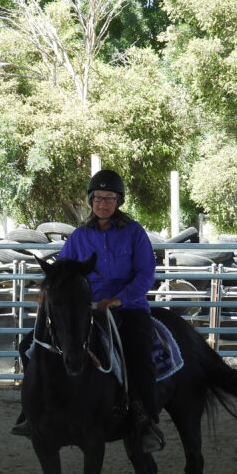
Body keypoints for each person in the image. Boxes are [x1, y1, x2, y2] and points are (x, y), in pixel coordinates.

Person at [12, 169, 165, 454]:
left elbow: (146, 274)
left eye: (108, 198)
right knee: (29, 346)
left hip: (127, 307)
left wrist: (120, 299)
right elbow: (62, 271)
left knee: (139, 351)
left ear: (118, 201)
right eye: (97, 198)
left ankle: (143, 418)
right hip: (86, 308)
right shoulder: (79, 236)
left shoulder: (134, 233)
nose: (102, 203)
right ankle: (33, 413)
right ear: (90, 201)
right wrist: (47, 291)